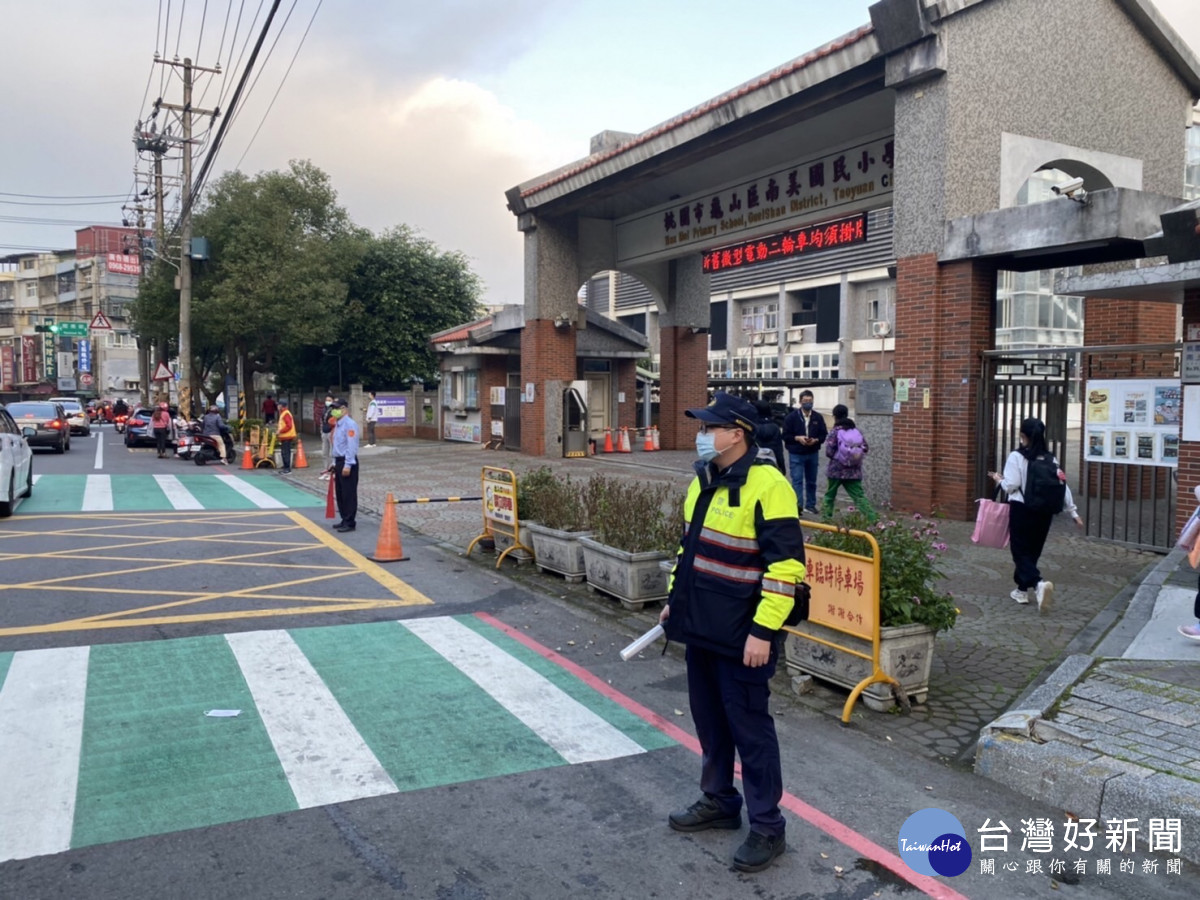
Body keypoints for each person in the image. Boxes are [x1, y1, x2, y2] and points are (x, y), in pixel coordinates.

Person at [659, 391, 805, 874]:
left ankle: (767, 826)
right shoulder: (702, 480)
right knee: (710, 723)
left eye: (708, 428)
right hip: (700, 628)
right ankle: (719, 800)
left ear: (735, 434)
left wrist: (764, 632)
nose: (701, 436)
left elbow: (787, 568)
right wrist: (672, 604)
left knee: (750, 731)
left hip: (745, 636)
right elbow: (689, 551)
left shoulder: (770, 485)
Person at [989, 417, 1083, 612]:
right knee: (1032, 552)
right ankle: (1022, 590)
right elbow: (1062, 485)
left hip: (1022, 510)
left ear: (1022, 435)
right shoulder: (1051, 459)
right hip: (1045, 511)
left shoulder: (1017, 457)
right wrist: (1073, 512)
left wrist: (999, 480)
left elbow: (1011, 485)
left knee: (1020, 552)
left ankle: (1039, 584)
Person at [821, 404, 876, 522]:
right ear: (846, 414)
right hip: (854, 471)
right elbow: (865, 448)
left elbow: (829, 452)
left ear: (834, 416)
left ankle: (826, 521)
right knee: (859, 497)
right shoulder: (856, 431)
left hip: (836, 471)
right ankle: (873, 521)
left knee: (829, 496)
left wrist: (840, 456)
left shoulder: (834, 432)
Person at [781, 390, 827, 515]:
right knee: (797, 481)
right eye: (805, 401)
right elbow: (785, 435)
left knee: (811, 481)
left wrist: (816, 440)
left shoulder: (817, 417)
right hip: (796, 453)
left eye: (810, 401)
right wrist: (798, 438)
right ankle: (798, 506)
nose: (808, 403)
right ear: (800, 401)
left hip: (812, 452)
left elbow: (823, 434)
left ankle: (810, 505)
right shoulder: (791, 417)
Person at [329, 399, 360, 532]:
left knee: (348, 493)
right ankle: (344, 519)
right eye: (333, 408)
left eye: (336, 408)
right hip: (339, 460)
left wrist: (348, 465)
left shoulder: (350, 424)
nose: (333, 411)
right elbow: (337, 446)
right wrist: (334, 463)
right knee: (340, 493)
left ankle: (350, 522)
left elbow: (351, 446)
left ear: (344, 409)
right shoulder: (338, 425)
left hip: (348, 462)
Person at [752, 400, 785, 473]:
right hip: (772, 462)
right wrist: (781, 466)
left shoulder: (751, 427)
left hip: (754, 462)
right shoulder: (775, 427)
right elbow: (779, 449)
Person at [276, 398, 296, 473]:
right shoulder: (283, 413)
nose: (277, 406)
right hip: (284, 436)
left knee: (286, 452)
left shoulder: (286, 413)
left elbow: (289, 425)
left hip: (287, 436)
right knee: (284, 452)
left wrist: (280, 431)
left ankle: (287, 468)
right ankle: (285, 467)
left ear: (281, 405)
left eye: (278, 404)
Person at [320, 394, 336, 480]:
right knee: (324, 453)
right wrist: (321, 431)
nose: (327, 401)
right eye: (326, 400)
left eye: (329, 400)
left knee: (332, 453)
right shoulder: (324, 409)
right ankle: (325, 470)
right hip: (324, 432)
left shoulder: (334, 410)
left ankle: (332, 472)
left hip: (331, 432)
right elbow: (322, 420)